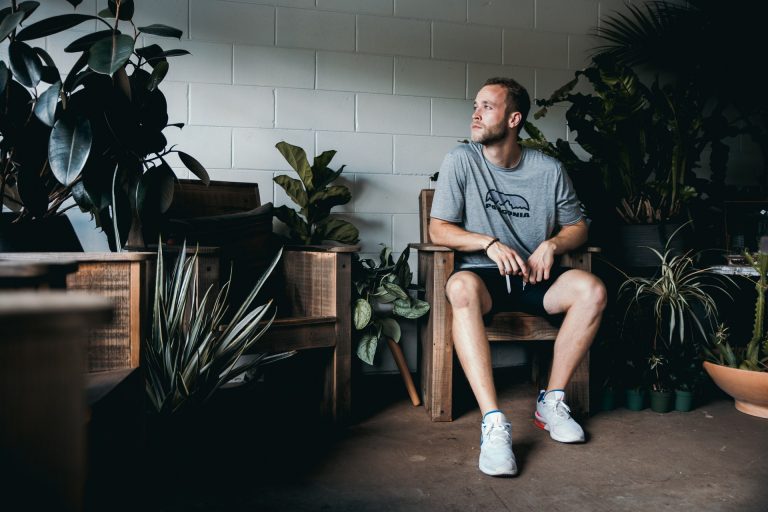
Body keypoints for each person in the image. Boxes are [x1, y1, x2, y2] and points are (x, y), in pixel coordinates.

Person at [429, 77, 607, 477]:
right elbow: (438, 229)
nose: (476, 113)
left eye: (487, 106)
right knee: (458, 286)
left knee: (591, 290)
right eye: (475, 105)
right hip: (484, 277)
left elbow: (578, 227)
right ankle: (493, 423)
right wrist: (488, 243)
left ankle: (552, 401)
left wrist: (552, 246)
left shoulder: (548, 169)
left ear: (513, 118)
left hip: (534, 278)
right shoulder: (461, 159)